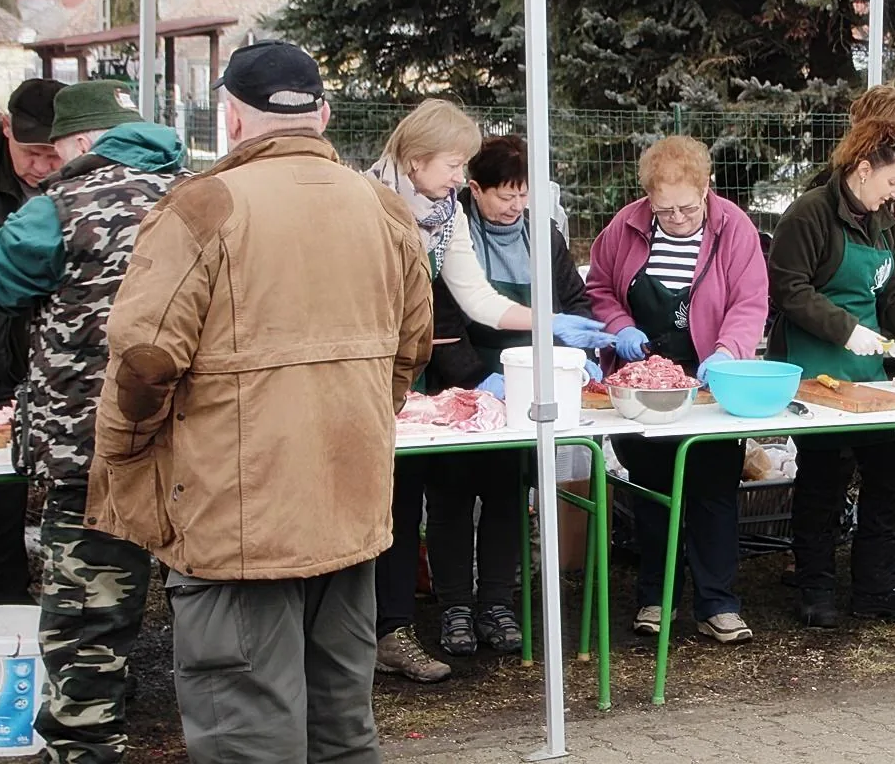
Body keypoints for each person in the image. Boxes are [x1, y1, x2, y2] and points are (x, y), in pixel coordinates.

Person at [88, 40, 434, 764]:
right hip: (349, 508)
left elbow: (145, 361)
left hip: (234, 521)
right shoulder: (384, 209)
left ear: (233, 119)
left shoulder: (205, 206)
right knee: (342, 729)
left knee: (246, 735)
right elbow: (411, 352)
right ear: (323, 114)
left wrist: (124, 458)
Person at [0, 79, 186, 763]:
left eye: (58, 150)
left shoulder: (62, 207)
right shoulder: (201, 199)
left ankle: (89, 746)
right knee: (208, 609)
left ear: (82, 141)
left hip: (93, 451)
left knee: (88, 624)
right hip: (200, 449)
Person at [366, 101, 611, 682]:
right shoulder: (367, 203)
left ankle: (403, 625)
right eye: (454, 165)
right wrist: (473, 371)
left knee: (446, 499)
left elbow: (475, 298)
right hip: (379, 370)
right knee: (397, 506)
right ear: (416, 158)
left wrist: (549, 323)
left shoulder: (444, 214)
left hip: (427, 383)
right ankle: (382, 630)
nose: (458, 177)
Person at [767, 120, 895, 627]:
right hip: (816, 371)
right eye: (892, 182)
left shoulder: (880, 225)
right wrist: (845, 329)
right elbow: (789, 289)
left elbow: (894, 294)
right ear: (863, 170)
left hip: (869, 372)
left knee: (886, 473)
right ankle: (816, 589)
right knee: (824, 476)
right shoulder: (809, 214)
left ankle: (876, 585)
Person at [587, 136, 768, 644]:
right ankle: (655, 597)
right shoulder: (624, 228)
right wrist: (619, 325)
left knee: (713, 490)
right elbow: (598, 287)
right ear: (647, 198)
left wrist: (729, 350)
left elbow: (751, 301)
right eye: (665, 210)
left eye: (688, 207)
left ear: (707, 188)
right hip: (643, 380)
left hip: (709, 380)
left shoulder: (734, 227)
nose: (678, 218)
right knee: (652, 492)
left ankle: (718, 603)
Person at [0, 78, 63, 609]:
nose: (44, 167)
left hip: (52, 360)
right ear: (4, 129)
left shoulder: (86, 181)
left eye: (54, 153)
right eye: (32, 153)